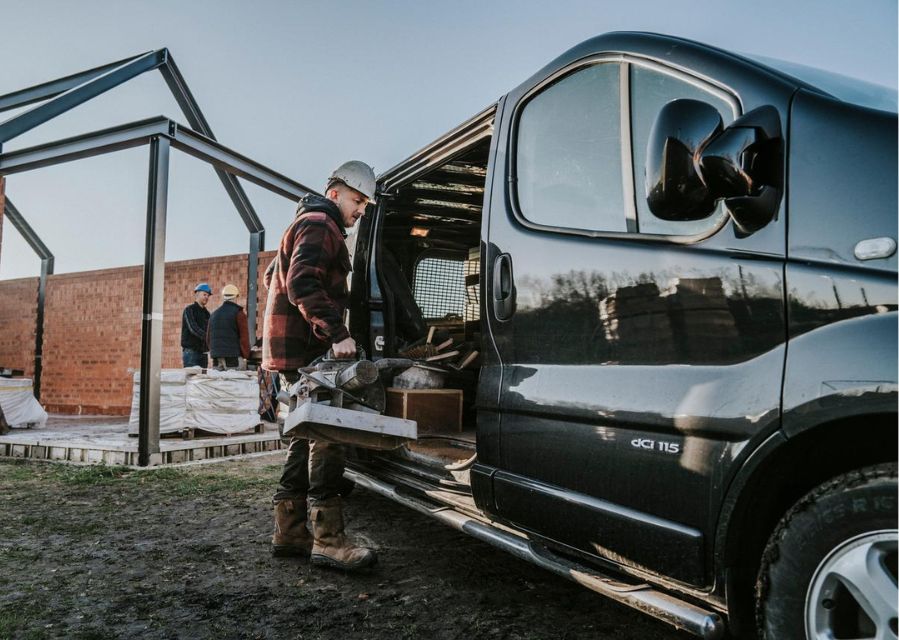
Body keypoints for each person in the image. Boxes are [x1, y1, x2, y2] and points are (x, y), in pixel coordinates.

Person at [262, 160, 377, 571]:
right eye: (357, 199)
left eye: (364, 203)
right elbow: (302, 283)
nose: (361, 209)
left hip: (291, 349)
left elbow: (274, 277)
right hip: (308, 349)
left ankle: (290, 530)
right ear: (335, 193)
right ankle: (328, 538)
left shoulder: (304, 222)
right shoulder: (321, 223)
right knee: (328, 432)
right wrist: (337, 333)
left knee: (302, 434)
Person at [207, 284, 250, 370]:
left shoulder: (213, 315)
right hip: (233, 358)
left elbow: (208, 338)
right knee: (236, 382)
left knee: (217, 383)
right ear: (236, 297)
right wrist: (247, 355)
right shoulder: (239, 313)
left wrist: (215, 352)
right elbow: (244, 338)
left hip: (216, 358)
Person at [181, 283, 212, 368]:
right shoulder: (189, 310)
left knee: (202, 380)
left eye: (208, 295)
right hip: (191, 353)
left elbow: (210, 330)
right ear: (197, 294)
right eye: (204, 294)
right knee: (191, 380)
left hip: (203, 354)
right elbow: (193, 328)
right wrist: (207, 337)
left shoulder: (207, 314)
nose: (207, 297)